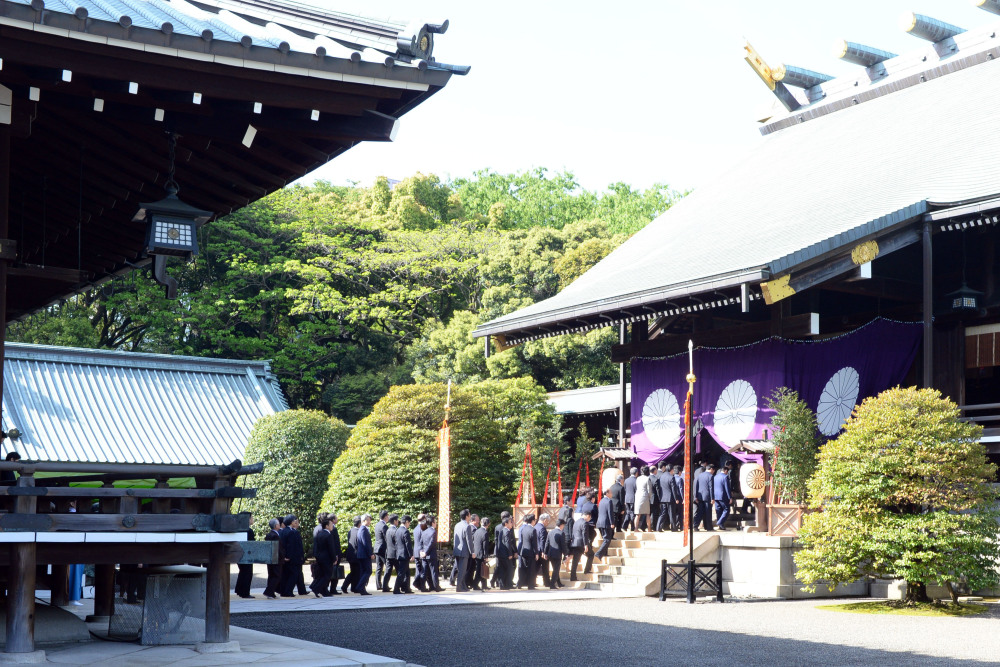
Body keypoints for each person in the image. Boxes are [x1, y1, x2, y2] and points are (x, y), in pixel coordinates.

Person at [278, 514, 304, 597]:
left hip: (284, 557)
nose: (296, 522)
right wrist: (289, 556)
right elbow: (291, 546)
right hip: (292, 558)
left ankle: (283, 591)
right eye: (294, 521)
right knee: (294, 574)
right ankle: (288, 591)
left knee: (285, 575)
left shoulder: (282, 531)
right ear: (291, 522)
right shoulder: (292, 532)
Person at [310, 517, 335, 597]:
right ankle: (315, 587)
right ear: (327, 526)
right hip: (327, 558)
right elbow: (331, 548)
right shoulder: (328, 535)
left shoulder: (319, 534)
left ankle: (324, 592)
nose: (332, 526)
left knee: (321, 574)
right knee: (327, 575)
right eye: (331, 524)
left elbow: (316, 547)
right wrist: (334, 558)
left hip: (320, 557)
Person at [418, 514, 442, 592]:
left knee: (424, 571)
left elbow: (421, 542)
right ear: (433, 523)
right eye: (435, 522)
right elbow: (431, 543)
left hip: (424, 555)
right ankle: (436, 587)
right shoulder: (433, 531)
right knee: (434, 571)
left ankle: (422, 587)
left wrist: (422, 551)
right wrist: (426, 552)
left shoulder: (424, 531)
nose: (436, 524)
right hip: (431, 555)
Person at [569, 509, 593, 580]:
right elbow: (584, 534)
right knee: (591, 554)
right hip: (581, 543)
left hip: (574, 542)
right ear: (587, 516)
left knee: (575, 560)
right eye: (589, 517)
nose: (589, 519)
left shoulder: (576, 522)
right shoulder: (584, 523)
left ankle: (572, 576)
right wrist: (586, 545)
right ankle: (587, 570)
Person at [453, 508, 474, 592]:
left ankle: (463, 586)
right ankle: (459, 587)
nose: (470, 516)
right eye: (469, 515)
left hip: (457, 550)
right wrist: (472, 552)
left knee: (460, 569)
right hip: (464, 550)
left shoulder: (457, 525)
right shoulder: (467, 526)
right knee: (462, 570)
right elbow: (469, 541)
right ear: (467, 516)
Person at [234, 517, 255, 598]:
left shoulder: (239, 529)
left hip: (239, 553)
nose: (252, 519)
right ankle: (245, 592)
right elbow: (251, 543)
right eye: (251, 518)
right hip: (247, 554)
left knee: (242, 572)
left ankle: (239, 590)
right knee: (247, 573)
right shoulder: (248, 530)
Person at [516, 513, 539, 589]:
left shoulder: (523, 528)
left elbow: (521, 541)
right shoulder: (533, 530)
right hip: (530, 552)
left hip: (523, 551)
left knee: (523, 568)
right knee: (531, 569)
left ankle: (520, 584)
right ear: (533, 521)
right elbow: (534, 543)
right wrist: (536, 553)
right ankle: (530, 585)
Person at [262, 518, 283, 599]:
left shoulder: (269, 534)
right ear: (275, 526)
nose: (279, 525)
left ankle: (271, 592)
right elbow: (278, 548)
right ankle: (268, 592)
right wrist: (282, 556)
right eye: (278, 524)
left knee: (271, 575)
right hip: (276, 558)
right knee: (276, 575)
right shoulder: (275, 535)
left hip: (270, 558)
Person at [490, 511, 511, 589]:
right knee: (504, 567)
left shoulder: (497, 527)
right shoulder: (508, 527)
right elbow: (510, 541)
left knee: (499, 567)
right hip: (505, 551)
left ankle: (495, 581)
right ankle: (502, 582)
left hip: (498, 549)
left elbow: (495, 539)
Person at [393, 515, 413, 594]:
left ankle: (406, 588)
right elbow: (408, 544)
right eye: (409, 523)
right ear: (407, 522)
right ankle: (396, 589)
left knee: (407, 573)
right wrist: (411, 554)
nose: (409, 525)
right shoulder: (405, 531)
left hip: (399, 554)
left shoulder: (397, 530)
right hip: (404, 555)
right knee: (401, 573)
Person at [656, 462, 679, 532]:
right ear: (671, 470)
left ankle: (658, 527)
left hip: (663, 498)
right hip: (670, 498)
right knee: (672, 514)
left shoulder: (661, 477)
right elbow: (673, 489)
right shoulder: (671, 478)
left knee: (662, 513)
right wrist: (676, 499)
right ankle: (674, 528)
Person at [354, 514, 373, 594]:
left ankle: (362, 589)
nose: (370, 522)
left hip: (362, 554)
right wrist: (370, 553)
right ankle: (359, 587)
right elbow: (365, 543)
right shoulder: (363, 529)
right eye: (368, 520)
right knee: (368, 571)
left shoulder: (362, 529)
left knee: (364, 572)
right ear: (364, 521)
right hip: (364, 555)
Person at [546, 518, 568, 589]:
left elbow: (547, 543)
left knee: (555, 568)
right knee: (556, 569)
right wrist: (566, 554)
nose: (563, 527)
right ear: (561, 525)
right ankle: (552, 584)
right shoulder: (561, 533)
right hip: (557, 554)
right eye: (563, 525)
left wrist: (545, 552)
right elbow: (563, 545)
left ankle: (559, 583)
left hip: (550, 553)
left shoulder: (550, 532)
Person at [341, 516, 361, 593]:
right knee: (356, 572)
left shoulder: (351, 530)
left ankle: (352, 587)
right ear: (359, 523)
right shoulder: (359, 532)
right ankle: (348, 586)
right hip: (356, 555)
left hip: (350, 554)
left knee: (353, 572)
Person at [495, 516, 515, 590]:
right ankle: (508, 584)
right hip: (506, 554)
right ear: (506, 524)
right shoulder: (507, 531)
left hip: (501, 553)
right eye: (510, 522)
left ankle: (502, 585)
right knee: (509, 569)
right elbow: (507, 543)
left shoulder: (502, 531)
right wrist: (510, 554)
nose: (511, 524)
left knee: (502, 569)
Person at [694, 464, 716, 531]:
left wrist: (695, 496)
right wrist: (712, 498)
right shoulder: (710, 476)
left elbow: (696, 486)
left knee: (700, 512)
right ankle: (708, 527)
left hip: (700, 496)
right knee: (708, 512)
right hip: (707, 497)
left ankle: (695, 526)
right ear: (711, 469)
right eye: (713, 470)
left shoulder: (699, 475)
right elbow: (711, 487)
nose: (713, 472)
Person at [595, 488, 614, 562]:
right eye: (610, 492)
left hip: (600, 522)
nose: (612, 494)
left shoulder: (601, 501)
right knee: (607, 539)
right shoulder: (609, 501)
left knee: (605, 538)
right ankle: (598, 553)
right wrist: (612, 523)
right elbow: (610, 513)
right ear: (607, 493)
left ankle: (605, 553)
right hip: (606, 523)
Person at [472, 516, 490, 591]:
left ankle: (484, 585)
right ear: (488, 524)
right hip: (481, 554)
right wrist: (486, 556)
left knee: (482, 569)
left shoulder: (477, 531)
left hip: (476, 553)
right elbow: (485, 546)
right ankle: (475, 584)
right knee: (480, 570)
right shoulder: (485, 533)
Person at [382, 514, 399, 592]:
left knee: (388, 571)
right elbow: (397, 543)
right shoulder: (395, 530)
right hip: (395, 554)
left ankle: (384, 586)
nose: (398, 521)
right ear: (395, 521)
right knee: (400, 571)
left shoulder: (388, 530)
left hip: (388, 553)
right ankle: (401, 586)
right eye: (397, 520)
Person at [714, 462, 733, 530]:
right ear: (725, 471)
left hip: (716, 496)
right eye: (727, 472)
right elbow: (727, 488)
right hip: (723, 496)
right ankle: (720, 522)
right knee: (726, 510)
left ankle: (721, 525)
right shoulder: (725, 477)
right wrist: (730, 497)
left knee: (718, 510)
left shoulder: (715, 476)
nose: (727, 473)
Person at [374, 510, 389, 589]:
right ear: (385, 517)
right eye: (387, 516)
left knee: (379, 567)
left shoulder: (377, 524)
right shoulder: (384, 526)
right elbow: (386, 538)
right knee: (388, 566)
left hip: (377, 548)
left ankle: (378, 585)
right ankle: (385, 585)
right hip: (382, 548)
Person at [635, 466, 653, 531]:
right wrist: (649, 497)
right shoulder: (647, 478)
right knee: (647, 513)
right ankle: (649, 528)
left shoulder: (638, 478)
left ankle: (636, 528)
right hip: (645, 496)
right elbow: (649, 490)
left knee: (638, 514)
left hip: (638, 496)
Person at [534, 513, 550, 588]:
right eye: (548, 521)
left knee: (536, 567)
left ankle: (532, 581)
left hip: (536, 551)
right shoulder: (542, 528)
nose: (548, 523)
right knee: (545, 568)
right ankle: (547, 582)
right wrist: (544, 552)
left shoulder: (535, 526)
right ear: (545, 520)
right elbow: (542, 541)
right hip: (542, 551)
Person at [328, 513, 343, 595]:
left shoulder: (334, 528)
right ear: (333, 520)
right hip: (335, 553)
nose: (337, 519)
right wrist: (335, 555)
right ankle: (330, 588)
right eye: (336, 518)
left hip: (337, 553)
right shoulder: (331, 529)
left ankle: (333, 589)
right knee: (332, 572)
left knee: (335, 572)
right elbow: (334, 543)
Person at [412, 513, 426, 591]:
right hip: (421, 551)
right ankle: (418, 583)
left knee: (418, 569)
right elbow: (423, 541)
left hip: (416, 551)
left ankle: (418, 584)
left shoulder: (415, 528)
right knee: (423, 569)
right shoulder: (422, 528)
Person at [623, 468, 638, 532]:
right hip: (633, 498)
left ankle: (624, 526)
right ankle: (632, 527)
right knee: (632, 513)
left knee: (628, 512)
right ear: (636, 473)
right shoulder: (636, 480)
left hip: (627, 498)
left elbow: (625, 489)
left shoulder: (626, 480)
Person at [649, 464, 661, 531]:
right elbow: (658, 490)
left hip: (648, 498)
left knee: (648, 513)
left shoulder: (648, 478)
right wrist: (660, 499)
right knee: (654, 513)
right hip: (654, 498)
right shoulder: (656, 479)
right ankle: (653, 526)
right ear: (654, 471)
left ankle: (645, 526)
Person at [672, 466, 685, 531]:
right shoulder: (680, 479)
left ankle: (675, 526)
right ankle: (681, 526)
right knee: (680, 513)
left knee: (675, 513)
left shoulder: (672, 478)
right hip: (679, 498)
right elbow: (681, 489)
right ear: (679, 472)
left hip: (673, 498)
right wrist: (683, 498)